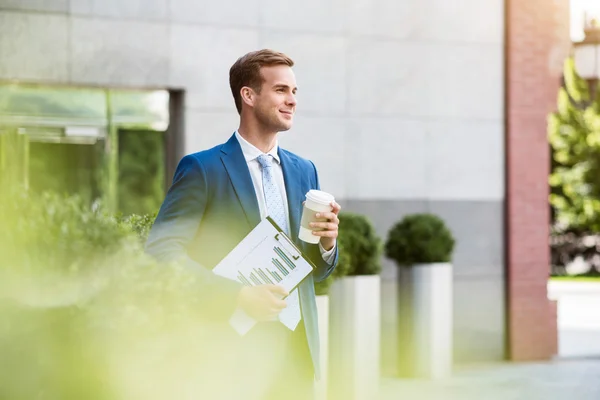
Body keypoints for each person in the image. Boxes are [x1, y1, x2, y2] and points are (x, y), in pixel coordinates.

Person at [145, 49, 340, 400]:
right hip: (231, 353)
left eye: (295, 92)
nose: (292, 101)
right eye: (281, 90)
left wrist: (326, 246)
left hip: (297, 352)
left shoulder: (304, 170)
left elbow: (310, 269)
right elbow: (160, 251)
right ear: (248, 95)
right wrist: (235, 295)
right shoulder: (202, 169)